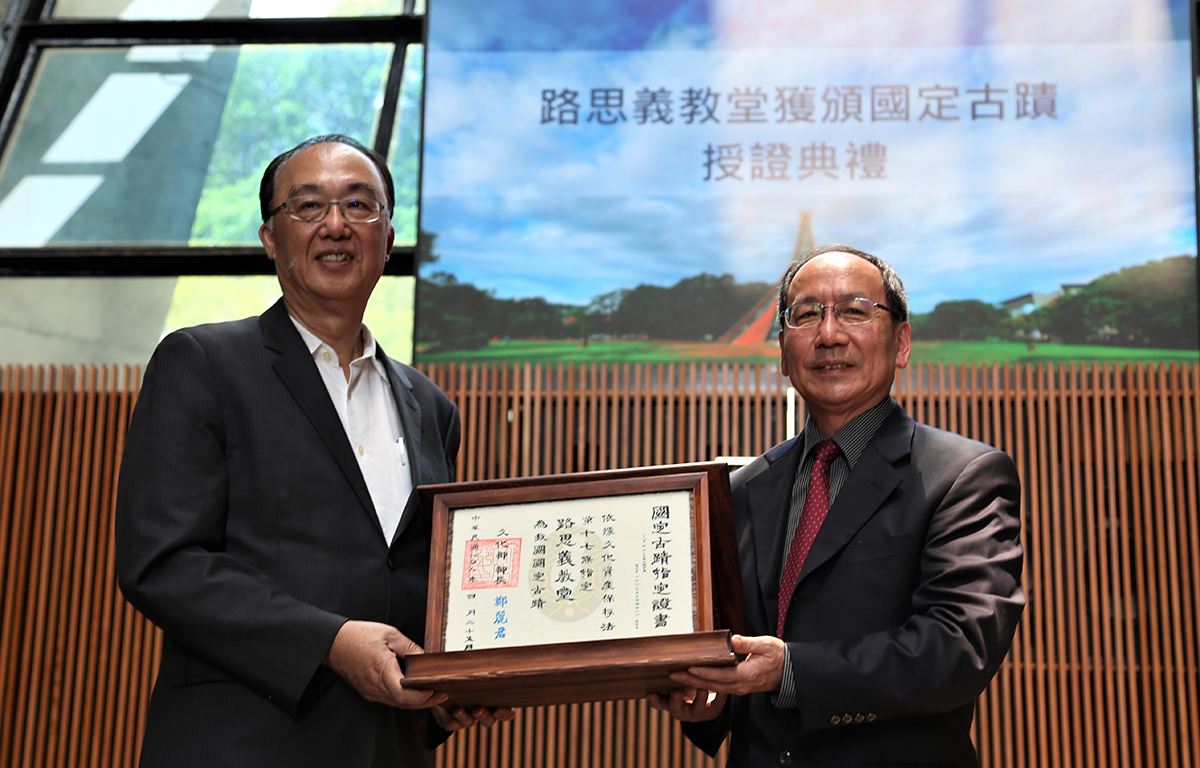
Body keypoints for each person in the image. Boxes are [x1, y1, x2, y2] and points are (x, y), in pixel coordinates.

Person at [116, 134, 508, 768]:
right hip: (242, 743)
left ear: (388, 238)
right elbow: (162, 562)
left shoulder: (431, 406)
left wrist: (444, 688)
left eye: (360, 205)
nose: (336, 225)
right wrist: (332, 642)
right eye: (307, 206)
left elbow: (411, 586)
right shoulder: (203, 363)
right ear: (271, 237)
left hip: (390, 747)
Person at [649, 244, 1024, 767]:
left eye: (854, 311)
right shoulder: (742, 490)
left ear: (902, 342)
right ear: (783, 351)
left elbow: (959, 648)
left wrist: (791, 671)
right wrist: (710, 703)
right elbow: (741, 672)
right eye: (806, 315)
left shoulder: (963, 475)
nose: (829, 334)